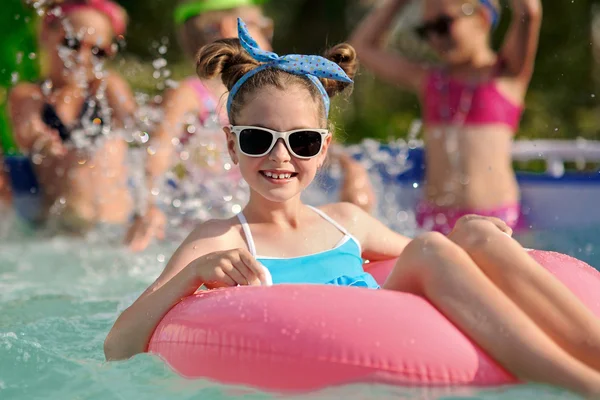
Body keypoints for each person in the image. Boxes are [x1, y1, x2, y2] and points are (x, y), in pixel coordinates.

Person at [105, 20, 600, 397]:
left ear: (323, 147)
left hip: (392, 324)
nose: (280, 157)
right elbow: (119, 344)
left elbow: (454, 268)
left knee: (473, 236)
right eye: (259, 139)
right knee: (431, 245)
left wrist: (477, 235)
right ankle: (576, 381)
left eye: (300, 140)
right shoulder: (222, 239)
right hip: (330, 356)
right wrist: (194, 274)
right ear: (232, 146)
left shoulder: (344, 221)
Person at [124, 0, 376, 252]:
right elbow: (157, 152)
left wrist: (350, 167)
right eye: (263, 28)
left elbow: (303, 137)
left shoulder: (265, 95)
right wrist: (148, 207)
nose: (270, 36)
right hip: (211, 216)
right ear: (228, 27)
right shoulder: (191, 95)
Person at [350, 0, 542, 234]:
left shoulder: (506, 75)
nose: (435, 38)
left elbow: (530, 11)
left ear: (481, 17)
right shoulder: (429, 80)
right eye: (426, 30)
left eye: (442, 25)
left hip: (498, 221)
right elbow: (361, 47)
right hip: (434, 222)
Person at [8, 0, 138, 232]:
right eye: (72, 43)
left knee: (112, 146)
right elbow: (28, 131)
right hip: (63, 228)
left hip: (116, 227)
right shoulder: (31, 94)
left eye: (98, 51)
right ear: (45, 35)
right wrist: (44, 142)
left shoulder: (105, 88)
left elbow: (138, 128)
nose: (83, 57)